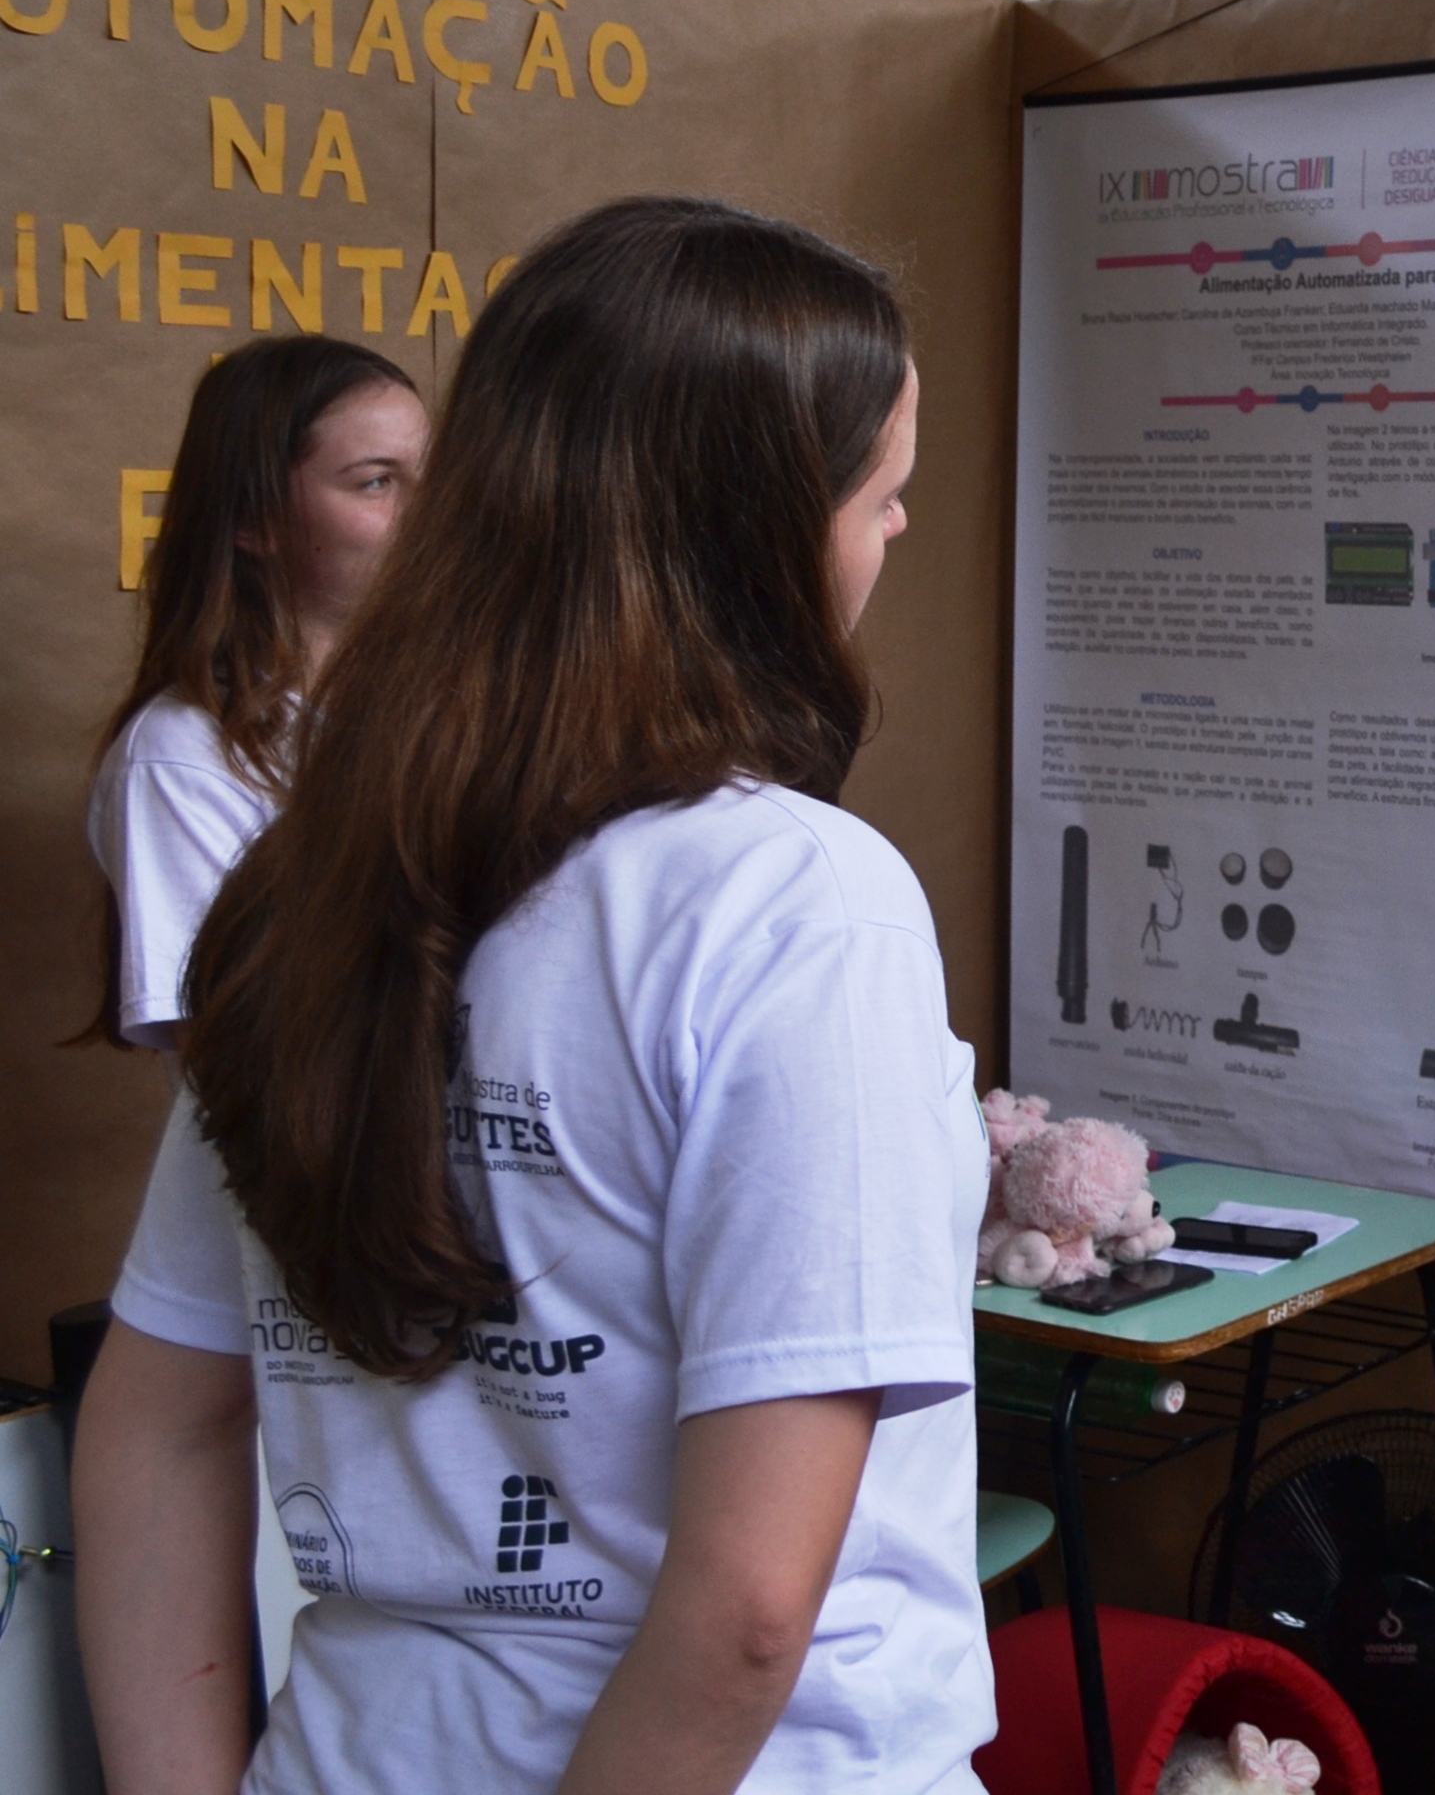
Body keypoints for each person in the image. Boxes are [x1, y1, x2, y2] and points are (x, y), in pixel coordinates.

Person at [72, 196, 992, 1795]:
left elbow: (156, 1426)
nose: (898, 530)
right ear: (762, 533)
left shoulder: (312, 883)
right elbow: (751, 1612)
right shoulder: (793, 898)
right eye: (881, 492)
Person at [84, 334, 425, 1049]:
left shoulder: (438, 710)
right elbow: (243, 1046)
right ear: (252, 521)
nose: (428, 511)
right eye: (376, 481)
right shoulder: (182, 755)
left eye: (435, 474)